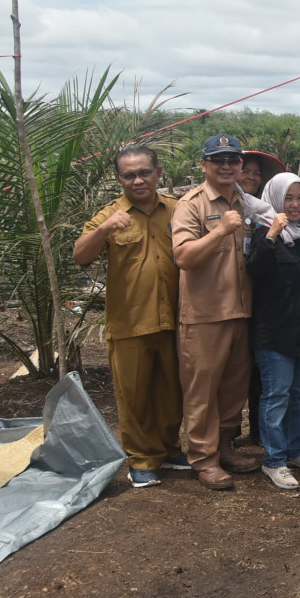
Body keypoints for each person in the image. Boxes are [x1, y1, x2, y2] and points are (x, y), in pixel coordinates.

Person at [74, 144, 185, 488]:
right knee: (133, 395)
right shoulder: (109, 215)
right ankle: (141, 459)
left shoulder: (178, 210)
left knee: (173, 391)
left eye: (144, 173)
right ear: (119, 178)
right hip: (130, 324)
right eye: (129, 175)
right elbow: (80, 256)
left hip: (175, 321)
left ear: (158, 173)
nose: (138, 180)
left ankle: (169, 449)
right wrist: (104, 229)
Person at [171, 134, 261, 490]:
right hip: (205, 314)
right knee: (201, 391)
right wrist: (221, 230)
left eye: (233, 160)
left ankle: (225, 447)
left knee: (233, 388)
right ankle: (203, 459)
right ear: (204, 165)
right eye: (218, 159)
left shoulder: (244, 201)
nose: (226, 166)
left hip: (241, 311)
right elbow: (183, 258)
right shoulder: (190, 205)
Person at [246, 173, 300, 490]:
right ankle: (274, 460)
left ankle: (294, 451)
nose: (295, 205)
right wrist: (272, 234)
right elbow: (253, 270)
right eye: (288, 198)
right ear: (276, 200)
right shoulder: (266, 231)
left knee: (297, 395)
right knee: (276, 395)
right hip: (275, 331)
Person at [240, 149, 287, 445]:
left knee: (261, 370)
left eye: (257, 173)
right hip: (227, 300)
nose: (251, 177)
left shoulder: (269, 214)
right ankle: (230, 433)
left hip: (263, 302)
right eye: (246, 170)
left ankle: (260, 432)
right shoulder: (224, 207)